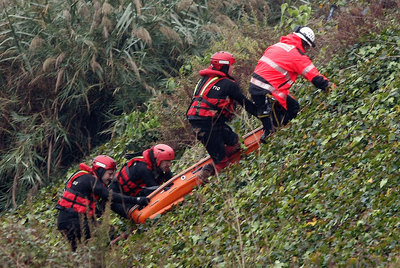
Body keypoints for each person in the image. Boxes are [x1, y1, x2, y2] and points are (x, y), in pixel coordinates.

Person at [249, 26, 336, 143]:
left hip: (257, 89)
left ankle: (282, 133)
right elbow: (315, 78)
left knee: (293, 107)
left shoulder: (276, 46)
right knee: (277, 127)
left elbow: (272, 75)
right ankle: (281, 142)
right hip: (267, 93)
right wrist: (331, 88)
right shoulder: (296, 55)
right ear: (305, 44)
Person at [186, 51, 258, 181]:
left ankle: (212, 165)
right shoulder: (229, 84)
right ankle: (217, 181)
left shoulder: (203, 81)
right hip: (206, 123)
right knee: (221, 162)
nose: (233, 68)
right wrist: (264, 117)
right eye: (231, 65)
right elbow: (245, 103)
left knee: (234, 142)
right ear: (223, 66)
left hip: (203, 120)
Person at [56, 155, 149, 251]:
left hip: (63, 223)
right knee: (109, 231)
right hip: (73, 222)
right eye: (110, 174)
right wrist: (137, 200)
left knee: (79, 253)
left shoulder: (85, 179)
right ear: (100, 171)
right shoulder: (89, 179)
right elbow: (110, 196)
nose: (111, 178)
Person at [109, 144, 175, 207]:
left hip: (135, 192)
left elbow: (170, 181)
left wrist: (167, 173)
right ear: (157, 159)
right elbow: (155, 189)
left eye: (170, 161)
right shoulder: (143, 168)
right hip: (117, 194)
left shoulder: (156, 163)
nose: (169, 165)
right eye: (167, 162)